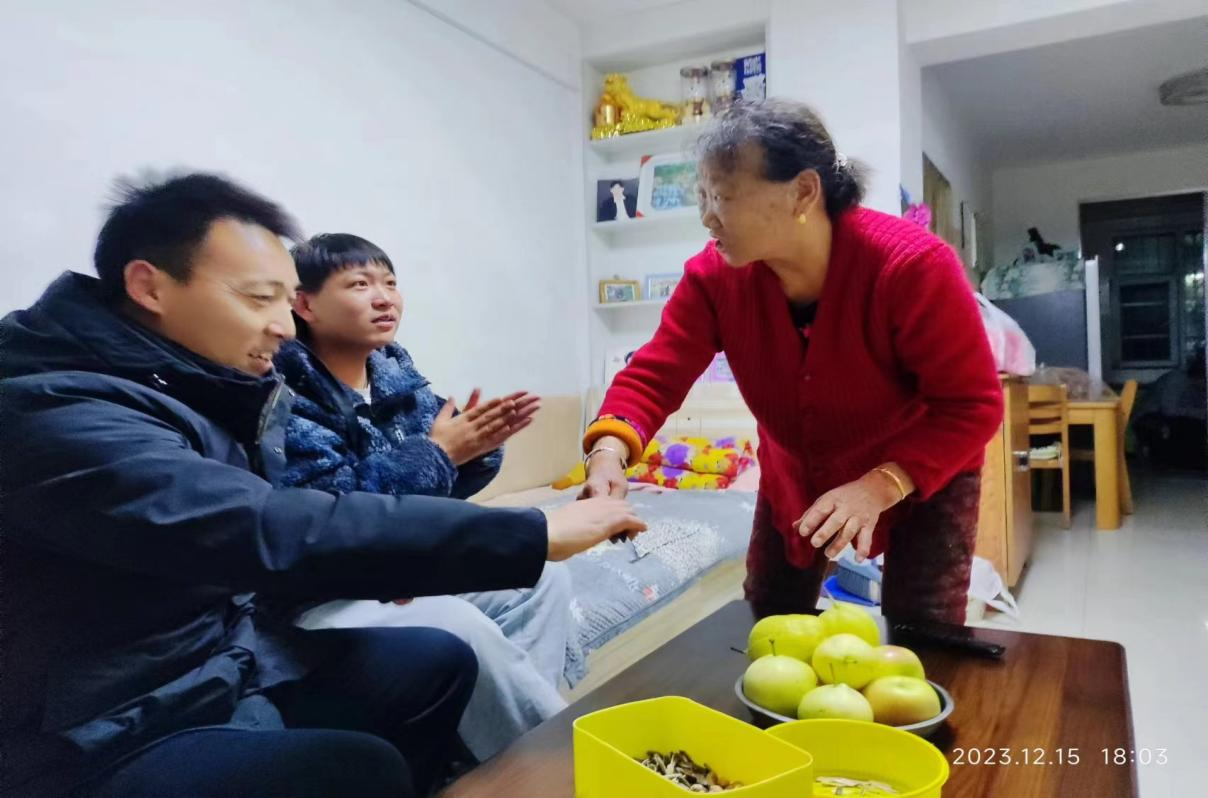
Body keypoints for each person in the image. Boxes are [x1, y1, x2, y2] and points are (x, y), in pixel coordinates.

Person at [0, 172, 645, 798]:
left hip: (228, 656)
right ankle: (560, 771)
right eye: (260, 298)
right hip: (104, 724)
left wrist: (465, 463)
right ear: (150, 286)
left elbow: (402, 499)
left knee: (446, 656)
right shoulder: (56, 408)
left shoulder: (256, 379)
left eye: (389, 283)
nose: (282, 326)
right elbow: (272, 522)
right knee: (373, 753)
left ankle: (497, 763)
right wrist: (515, 523)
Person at [580, 99, 1003, 623]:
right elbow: (654, 375)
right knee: (770, 620)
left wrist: (880, 486)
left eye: (723, 197)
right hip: (794, 473)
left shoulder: (911, 266)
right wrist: (608, 454)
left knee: (922, 634)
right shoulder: (714, 279)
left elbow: (972, 406)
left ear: (803, 192)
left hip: (921, 471)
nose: (707, 217)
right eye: (703, 197)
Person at [274, 232, 570, 761]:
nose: (384, 298)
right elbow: (326, 516)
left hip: (404, 566)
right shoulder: (284, 396)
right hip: (326, 592)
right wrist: (440, 452)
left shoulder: (397, 376)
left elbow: (444, 487)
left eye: (390, 283)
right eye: (359, 284)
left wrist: (475, 451)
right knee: (460, 625)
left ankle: (502, 744)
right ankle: (546, 763)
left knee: (540, 575)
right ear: (305, 304)